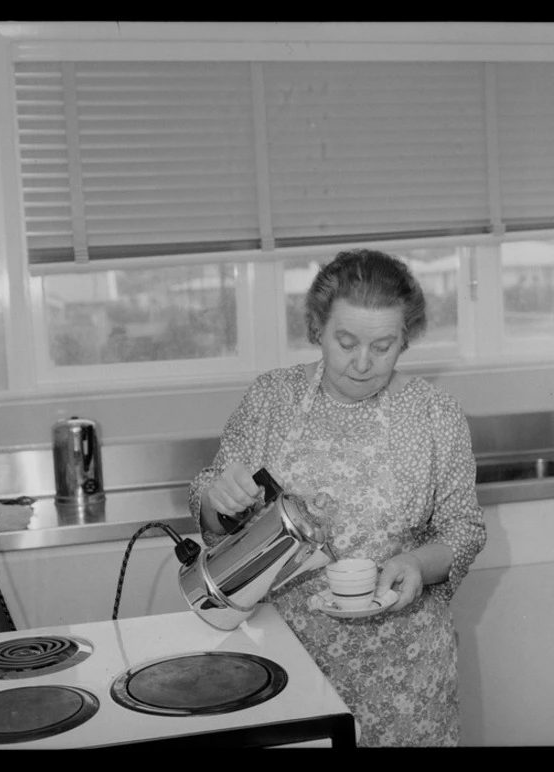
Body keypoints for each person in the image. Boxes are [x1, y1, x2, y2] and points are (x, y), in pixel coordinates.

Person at [188, 248, 487, 747]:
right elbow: (214, 511)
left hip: (406, 671)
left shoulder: (436, 415)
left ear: (405, 340)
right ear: (316, 330)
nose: (363, 363)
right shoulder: (270, 399)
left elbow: (462, 529)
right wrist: (220, 499)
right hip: (284, 657)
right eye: (345, 342)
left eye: (384, 346)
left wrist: (417, 562)